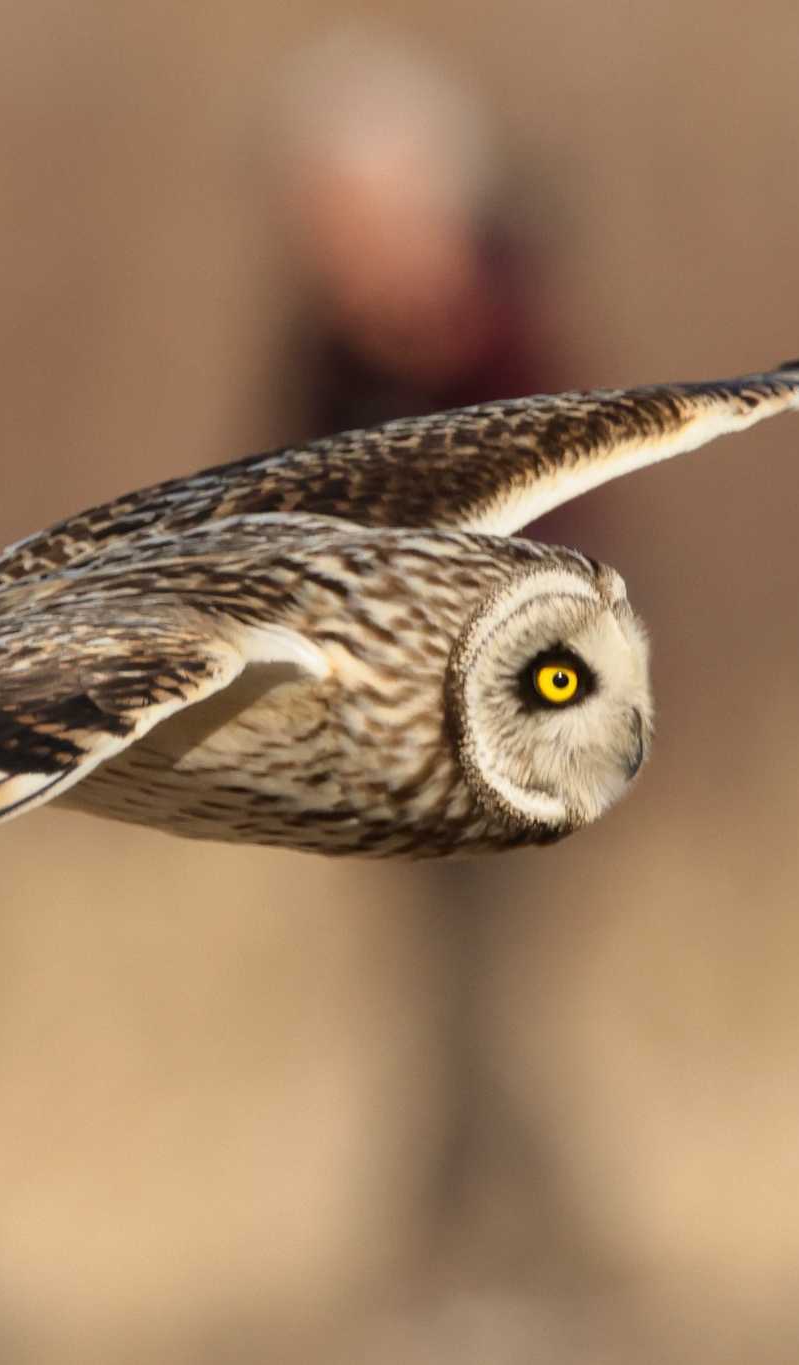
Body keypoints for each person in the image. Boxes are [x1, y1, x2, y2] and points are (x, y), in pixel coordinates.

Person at [271, 28, 603, 1283]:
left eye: (344, 216)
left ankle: (457, 1248)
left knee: (480, 992)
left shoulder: (508, 348)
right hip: (382, 725)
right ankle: (535, 1247)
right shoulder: (331, 354)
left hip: (527, 712)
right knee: (454, 994)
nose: (328, 245)